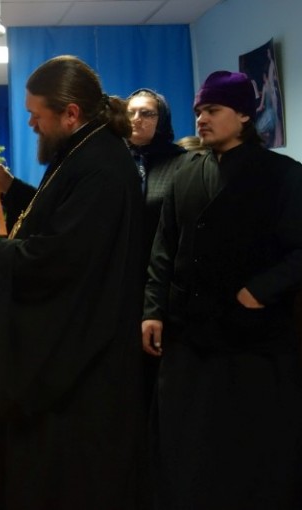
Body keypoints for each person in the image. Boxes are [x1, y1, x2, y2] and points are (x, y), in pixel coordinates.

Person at [0, 55, 146, 509]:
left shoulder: (99, 166)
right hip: (76, 349)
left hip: (77, 363)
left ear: (70, 113)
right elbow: (55, 216)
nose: (31, 124)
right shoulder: (84, 152)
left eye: (36, 115)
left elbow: (58, 257)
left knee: (59, 476)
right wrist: (13, 189)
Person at [142, 70, 302, 509]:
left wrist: (260, 290)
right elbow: (164, 248)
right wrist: (153, 310)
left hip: (253, 341)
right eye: (199, 111)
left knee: (247, 450)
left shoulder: (283, 175)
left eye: (213, 110)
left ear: (245, 114)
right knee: (186, 447)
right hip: (187, 337)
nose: (202, 119)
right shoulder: (185, 172)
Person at [126, 88, 190, 410]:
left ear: (161, 119)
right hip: (118, 282)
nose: (137, 119)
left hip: (163, 281)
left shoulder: (182, 163)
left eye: (147, 113)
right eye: (131, 112)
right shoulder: (111, 159)